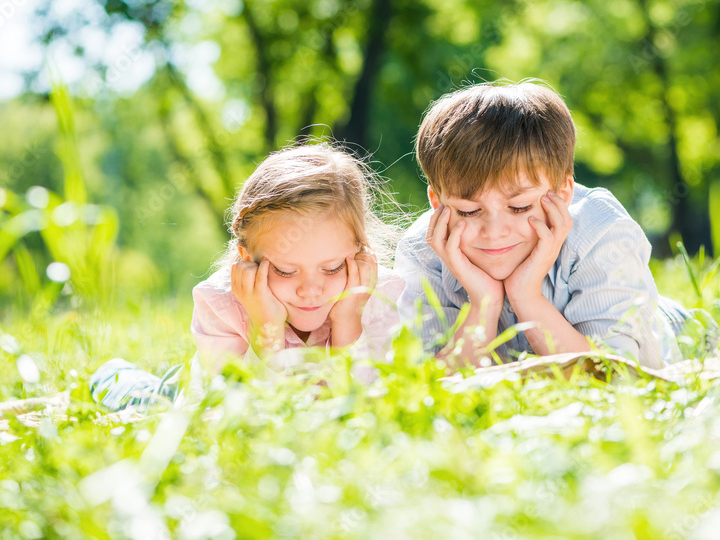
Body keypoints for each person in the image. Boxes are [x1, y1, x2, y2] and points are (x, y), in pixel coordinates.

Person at [394, 80, 686, 370]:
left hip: (667, 329)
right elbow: (430, 386)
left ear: (562, 193)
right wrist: (484, 304)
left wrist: (526, 296)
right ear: (437, 202)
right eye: (468, 211)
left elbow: (612, 377)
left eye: (519, 207)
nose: (495, 231)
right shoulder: (425, 249)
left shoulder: (600, 232)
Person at [90, 143, 404, 410]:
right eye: (285, 270)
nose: (310, 290)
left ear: (361, 252)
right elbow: (240, 410)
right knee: (147, 397)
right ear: (246, 260)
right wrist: (265, 328)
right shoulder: (223, 303)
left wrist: (348, 320)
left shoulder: (374, 295)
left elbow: (366, 401)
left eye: (332, 268)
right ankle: (114, 373)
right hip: (195, 390)